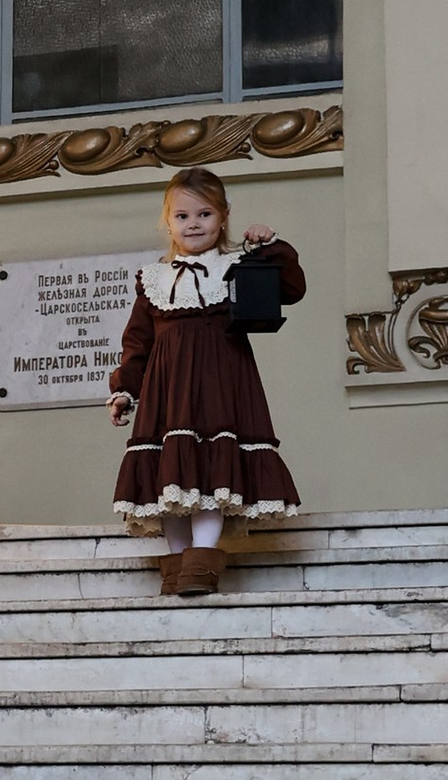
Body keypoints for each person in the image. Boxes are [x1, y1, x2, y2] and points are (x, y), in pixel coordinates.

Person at [106, 170, 305, 595]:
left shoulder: (237, 265)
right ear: (168, 221)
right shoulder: (153, 279)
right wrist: (125, 388)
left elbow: (290, 289)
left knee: (212, 472)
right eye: (182, 215)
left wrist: (271, 246)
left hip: (220, 383)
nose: (193, 223)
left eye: (204, 213)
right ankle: (178, 567)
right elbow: (137, 341)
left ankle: (203, 562)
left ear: (223, 217)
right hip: (168, 391)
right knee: (172, 477)